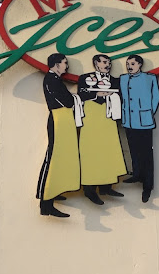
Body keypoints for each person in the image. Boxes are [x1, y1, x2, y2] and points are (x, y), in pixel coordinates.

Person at [77, 54, 127, 205]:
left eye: (109, 62)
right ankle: (89, 189)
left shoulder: (115, 80)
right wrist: (97, 94)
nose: (107, 65)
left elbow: (122, 95)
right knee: (91, 151)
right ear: (96, 63)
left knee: (109, 149)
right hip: (91, 117)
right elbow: (81, 94)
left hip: (108, 118)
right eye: (104, 62)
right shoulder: (85, 78)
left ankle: (107, 186)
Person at [36, 53, 82, 218]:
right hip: (58, 120)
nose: (66, 66)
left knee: (61, 157)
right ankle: (46, 202)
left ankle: (54, 191)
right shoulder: (51, 80)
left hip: (63, 120)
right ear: (56, 65)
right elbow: (67, 101)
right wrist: (75, 98)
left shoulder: (55, 80)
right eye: (64, 63)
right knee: (53, 157)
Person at [119, 54, 159, 203]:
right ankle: (136, 174)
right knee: (133, 150)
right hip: (129, 121)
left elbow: (156, 97)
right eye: (127, 64)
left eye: (132, 64)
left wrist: (148, 113)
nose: (129, 66)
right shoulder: (123, 78)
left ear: (140, 65)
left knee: (146, 154)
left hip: (144, 122)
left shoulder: (149, 78)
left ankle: (147, 185)